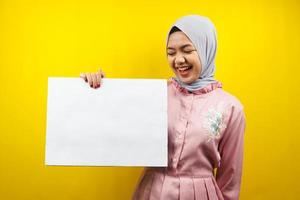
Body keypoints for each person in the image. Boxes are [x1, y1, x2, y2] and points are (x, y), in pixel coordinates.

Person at [80, 15, 246, 200]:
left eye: (187, 50)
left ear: (206, 48)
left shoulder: (230, 108)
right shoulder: (155, 94)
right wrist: (96, 89)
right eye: (171, 52)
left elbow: (230, 178)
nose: (179, 60)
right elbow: (115, 121)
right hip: (153, 193)